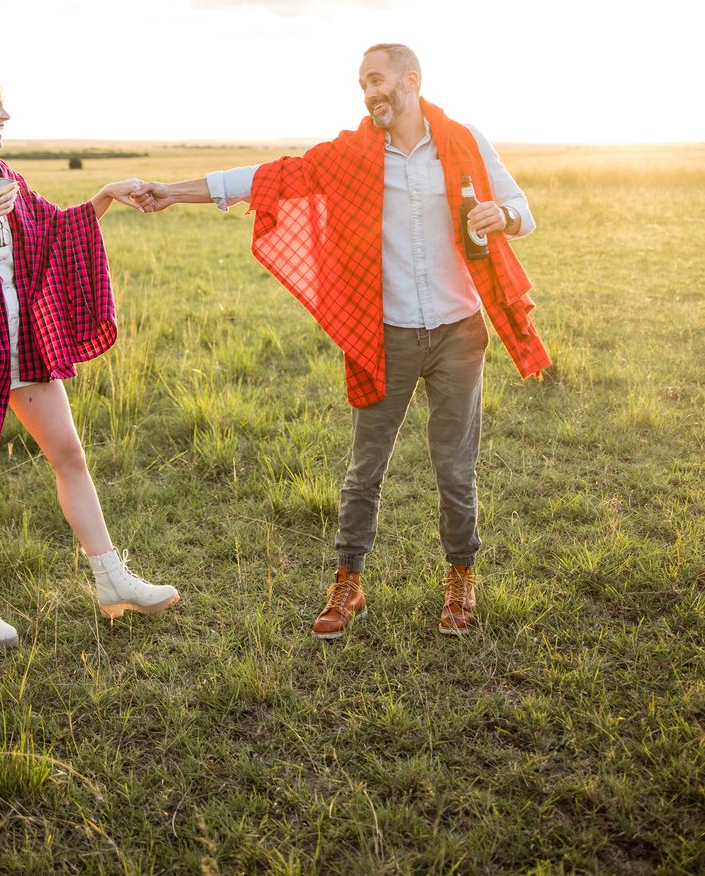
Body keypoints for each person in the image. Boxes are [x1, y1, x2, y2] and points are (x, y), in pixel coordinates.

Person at [134, 43, 549, 639]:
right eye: (362, 85)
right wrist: (174, 191)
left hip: (460, 332)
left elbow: (521, 210)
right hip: (387, 334)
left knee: (455, 468)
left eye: (377, 80)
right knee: (365, 468)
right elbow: (268, 177)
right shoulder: (352, 155)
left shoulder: (463, 140)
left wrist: (500, 218)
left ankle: (461, 580)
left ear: (411, 79)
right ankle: (348, 583)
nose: (369, 93)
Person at [0, 72, 179, 648]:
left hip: (23, 345)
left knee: (69, 452)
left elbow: (54, 230)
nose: (5, 116)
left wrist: (105, 196)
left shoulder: (7, 177)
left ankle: (110, 578)